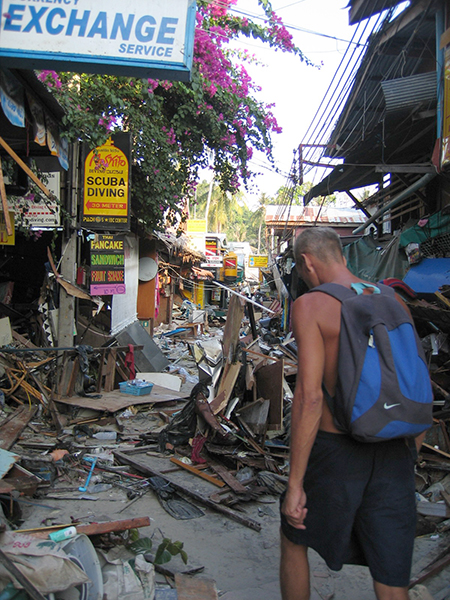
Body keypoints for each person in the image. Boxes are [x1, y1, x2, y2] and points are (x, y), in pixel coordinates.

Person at [280, 227, 425, 600]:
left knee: (294, 535)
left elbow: (310, 398)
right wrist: (411, 455)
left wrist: (295, 485)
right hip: (396, 448)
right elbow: (415, 383)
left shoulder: (310, 305)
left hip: (337, 451)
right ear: (342, 255)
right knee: (392, 576)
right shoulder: (394, 299)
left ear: (307, 263)